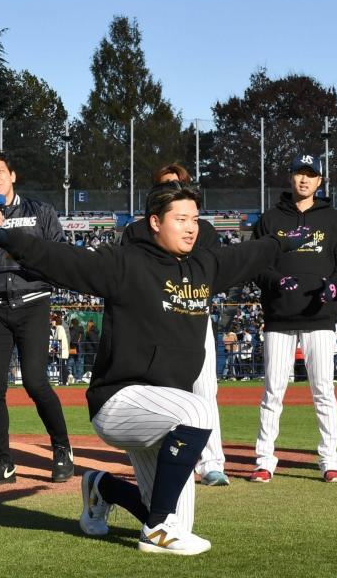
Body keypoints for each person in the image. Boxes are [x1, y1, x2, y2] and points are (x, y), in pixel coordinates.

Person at [0, 185, 310, 555]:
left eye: (194, 219)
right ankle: (156, 526)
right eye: (181, 219)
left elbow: (249, 254)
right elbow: (63, 259)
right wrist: (8, 239)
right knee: (199, 411)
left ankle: (102, 488)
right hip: (120, 401)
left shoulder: (206, 266)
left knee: (176, 523)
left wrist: (282, 242)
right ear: (155, 222)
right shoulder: (125, 263)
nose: (191, 227)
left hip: (166, 412)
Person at [0, 150, 74, 486]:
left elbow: (59, 254)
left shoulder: (41, 212)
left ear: (13, 175)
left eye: (0, 172)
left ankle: (62, 449)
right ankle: (2, 464)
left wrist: (17, 243)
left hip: (34, 302)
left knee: (36, 382)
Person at [248, 151, 337, 484]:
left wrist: (335, 286)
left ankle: (330, 459)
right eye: (299, 172)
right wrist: (276, 280)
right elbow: (255, 264)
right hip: (280, 318)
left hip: (319, 316)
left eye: (311, 174)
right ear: (291, 176)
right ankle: (264, 459)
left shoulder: (333, 220)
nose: (304, 179)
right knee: (273, 391)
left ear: (319, 181)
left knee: (323, 390)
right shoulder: (270, 220)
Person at [120, 164, 230, 487]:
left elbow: (208, 274)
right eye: (167, 184)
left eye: (180, 183)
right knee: (157, 391)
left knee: (205, 388)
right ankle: (166, 459)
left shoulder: (204, 230)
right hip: (152, 320)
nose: (175, 187)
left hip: (194, 315)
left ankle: (211, 461)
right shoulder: (136, 232)